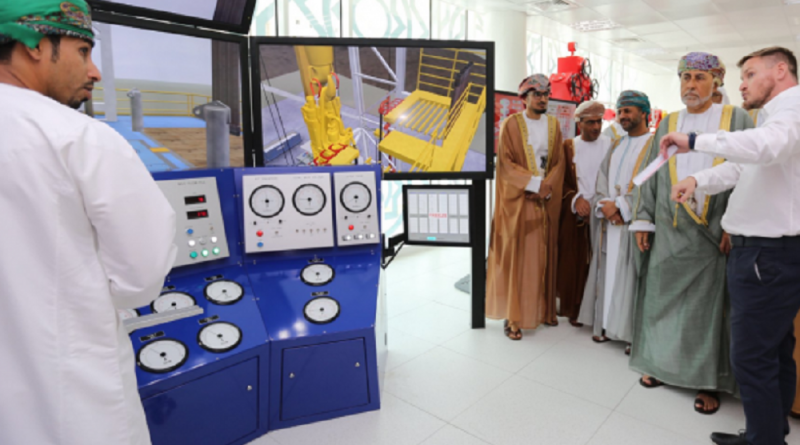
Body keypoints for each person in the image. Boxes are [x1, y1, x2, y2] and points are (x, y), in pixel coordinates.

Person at [0, 2, 178, 445]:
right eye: (83, 51)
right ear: (37, 45)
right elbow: (141, 275)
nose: (94, 71)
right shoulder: (81, 139)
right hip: (75, 405)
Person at [665, 46, 800, 445]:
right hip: (766, 253)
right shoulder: (775, 116)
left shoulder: (791, 111)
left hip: (766, 254)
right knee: (773, 351)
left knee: (752, 357)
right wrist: (698, 182)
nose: (741, 83)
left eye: (750, 74)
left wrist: (693, 139)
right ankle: (767, 431)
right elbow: (747, 165)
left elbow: (762, 148)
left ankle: (764, 440)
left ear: (780, 71)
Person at [629, 52, 754, 416]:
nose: (691, 85)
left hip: (715, 234)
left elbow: (750, 173)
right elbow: (650, 175)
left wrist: (735, 224)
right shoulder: (669, 122)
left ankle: (708, 381)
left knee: (709, 310)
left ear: (716, 82)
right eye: (685, 77)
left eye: (700, 78)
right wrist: (643, 220)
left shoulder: (737, 118)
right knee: (662, 301)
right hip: (670, 230)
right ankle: (661, 364)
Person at [487, 74, 565, 340]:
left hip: (544, 199)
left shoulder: (554, 124)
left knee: (542, 256)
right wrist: (533, 184)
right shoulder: (510, 124)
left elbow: (558, 163)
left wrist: (546, 187)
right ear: (524, 98)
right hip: (520, 199)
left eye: (546, 95)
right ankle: (514, 317)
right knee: (518, 258)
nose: (543, 99)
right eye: (537, 94)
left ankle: (542, 311)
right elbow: (506, 165)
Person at [577, 91, 653, 347]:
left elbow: (653, 185)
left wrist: (622, 205)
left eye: (629, 110)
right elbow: (602, 179)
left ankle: (631, 334)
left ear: (644, 113)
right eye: (620, 111)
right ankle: (606, 325)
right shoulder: (616, 145)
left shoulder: (654, 146)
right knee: (607, 274)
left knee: (632, 276)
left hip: (634, 224)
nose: (623, 116)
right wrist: (604, 205)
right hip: (608, 222)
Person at [556, 101, 611, 327]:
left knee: (602, 263)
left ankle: (601, 311)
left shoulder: (611, 145)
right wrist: (576, 199)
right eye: (591, 123)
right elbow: (561, 181)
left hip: (604, 210)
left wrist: (599, 203)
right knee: (574, 261)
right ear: (580, 124)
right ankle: (575, 308)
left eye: (599, 121)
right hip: (576, 213)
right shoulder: (568, 146)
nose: (596, 127)